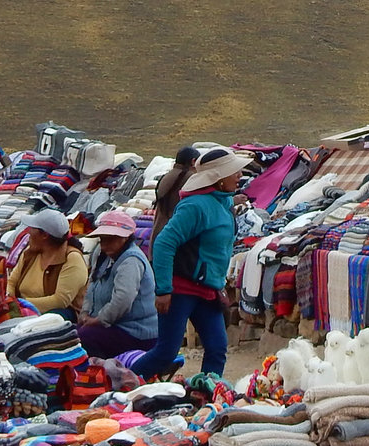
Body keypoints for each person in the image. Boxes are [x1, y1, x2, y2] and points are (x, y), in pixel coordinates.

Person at [143, 147, 249, 380]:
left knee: (217, 349)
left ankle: (207, 396)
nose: (240, 175)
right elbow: (163, 243)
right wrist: (163, 290)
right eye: (234, 172)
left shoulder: (222, 203)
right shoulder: (195, 206)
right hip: (181, 288)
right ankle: (120, 386)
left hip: (207, 289)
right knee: (166, 352)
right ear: (218, 178)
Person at [77, 209, 160, 357]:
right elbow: (91, 287)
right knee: (70, 336)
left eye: (110, 239)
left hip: (136, 332)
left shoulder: (131, 260)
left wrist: (97, 320)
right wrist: (84, 314)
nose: (104, 245)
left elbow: (122, 300)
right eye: (102, 240)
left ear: (125, 238)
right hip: (111, 326)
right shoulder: (103, 255)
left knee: (84, 338)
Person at [7, 208, 90, 316]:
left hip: (55, 317)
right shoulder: (30, 253)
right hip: (21, 309)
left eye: (33, 228)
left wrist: (19, 304)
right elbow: (11, 282)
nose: (29, 231)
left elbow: (60, 301)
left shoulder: (72, 259)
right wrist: (10, 302)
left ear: (44, 235)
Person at [151, 143, 208, 242]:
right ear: (193, 161)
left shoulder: (167, 176)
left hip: (160, 230)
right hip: (176, 235)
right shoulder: (190, 178)